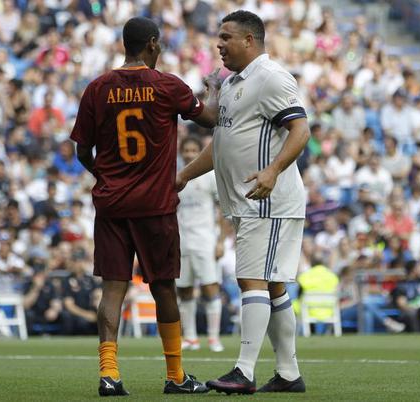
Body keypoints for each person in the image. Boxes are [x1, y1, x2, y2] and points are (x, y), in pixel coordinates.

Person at [70, 16, 219, 396]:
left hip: (112, 205)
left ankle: (109, 375)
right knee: (165, 290)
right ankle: (175, 376)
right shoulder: (167, 85)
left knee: (113, 291)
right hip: (155, 205)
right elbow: (210, 118)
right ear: (152, 44)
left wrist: (104, 175)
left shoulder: (97, 88)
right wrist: (215, 88)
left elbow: (81, 149)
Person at [177, 10, 309, 394]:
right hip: (249, 201)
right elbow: (222, 144)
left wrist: (272, 171)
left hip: (267, 198)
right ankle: (288, 373)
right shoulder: (235, 82)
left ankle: (244, 370)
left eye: (226, 37)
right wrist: (184, 174)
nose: (219, 44)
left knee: (250, 279)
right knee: (273, 286)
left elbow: (300, 129)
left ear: (249, 40)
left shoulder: (271, 78)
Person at [176, 136, 224, 353]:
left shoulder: (211, 177)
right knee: (184, 289)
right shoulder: (175, 177)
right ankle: (191, 338)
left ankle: (213, 338)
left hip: (205, 240)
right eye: (186, 150)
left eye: (194, 150)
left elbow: (223, 209)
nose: (189, 153)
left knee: (210, 287)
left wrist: (221, 240)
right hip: (182, 241)